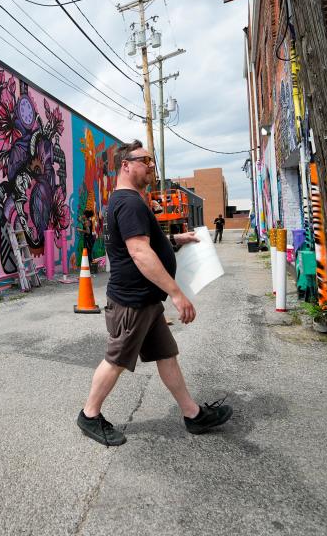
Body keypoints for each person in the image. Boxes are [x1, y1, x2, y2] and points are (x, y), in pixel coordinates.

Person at [76, 140, 233, 447]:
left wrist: (175, 238)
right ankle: (89, 415)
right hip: (132, 301)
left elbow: (142, 241)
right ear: (126, 165)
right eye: (145, 160)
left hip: (145, 300)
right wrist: (177, 294)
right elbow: (139, 252)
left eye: (151, 160)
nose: (151, 166)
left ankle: (193, 414)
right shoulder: (131, 203)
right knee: (116, 360)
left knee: (166, 355)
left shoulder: (126, 201)